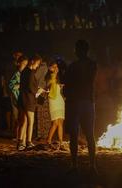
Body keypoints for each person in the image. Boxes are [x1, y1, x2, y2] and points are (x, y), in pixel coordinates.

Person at [65, 40, 97, 173]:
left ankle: (74, 164)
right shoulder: (92, 65)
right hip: (88, 102)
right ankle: (92, 165)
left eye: (76, 49)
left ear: (78, 50)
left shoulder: (73, 66)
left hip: (75, 102)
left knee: (74, 134)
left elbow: (68, 83)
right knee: (89, 134)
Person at [17, 54, 43, 151]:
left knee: (23, 121)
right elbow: (31, 87)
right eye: (37, 63)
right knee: (30, 121)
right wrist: (39, 91)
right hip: (29, 100)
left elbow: (25, 85)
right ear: (33, 61)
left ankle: (20, 142)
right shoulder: (31, 73)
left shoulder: (24, 72)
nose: (37, 66)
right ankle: (28, 142)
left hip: (22, 99)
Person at [45, 61, 65, 150]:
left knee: (60, 121)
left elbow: (58, 87)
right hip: (53, 99)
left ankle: (61, 142)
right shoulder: (49, 77)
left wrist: (61, 86)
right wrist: (55, 74)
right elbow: (49, 84)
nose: (56, 68)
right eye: (54, 67)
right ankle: (48, 140)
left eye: (57, 66)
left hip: (60, 100)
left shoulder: (58, 77)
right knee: (55, 122)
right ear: (50, 68)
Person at [9, 55, 28, 140]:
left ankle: (20, 136)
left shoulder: (24, 74)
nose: (24, 66)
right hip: (16, 98)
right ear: (19, 64)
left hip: (21, 98)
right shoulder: (17, 74)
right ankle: (17, 136)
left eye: (26, 64)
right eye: (23, 64)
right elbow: (11, 85)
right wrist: (21, 85)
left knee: (21, 118)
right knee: (17, 118)